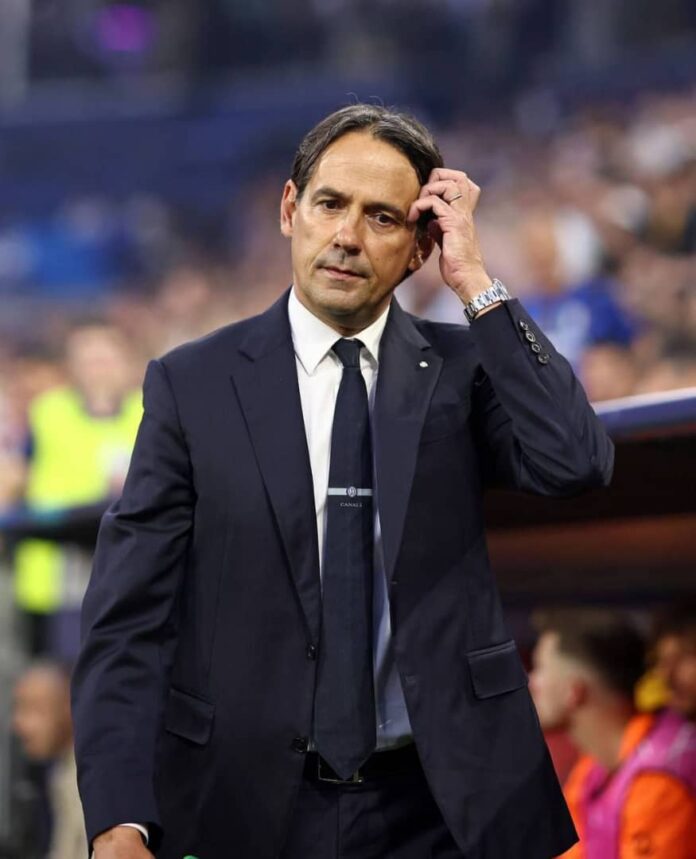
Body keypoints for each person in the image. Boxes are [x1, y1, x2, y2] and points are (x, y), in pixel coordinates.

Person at [72, 104, 614, 859]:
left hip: (443, 805)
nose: (348, 236)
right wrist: (118, 818)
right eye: (330, 204)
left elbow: (576, 460)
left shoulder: (462, 370)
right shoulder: (192, 384)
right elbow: (128, 620)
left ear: (420, 246)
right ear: (289, 210)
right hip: (248, 804)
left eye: (383, 217)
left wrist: (476, 282)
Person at [13, 319, 142, 659]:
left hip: (125, 576)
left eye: (106, 359)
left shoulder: (150, 412)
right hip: (53, 576)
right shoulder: (47, 412)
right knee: (50, 675)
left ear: (128, 362)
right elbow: (17, 473)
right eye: (87, 360)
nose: (97, 371)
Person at [530, 609, 696, 859]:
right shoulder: (593, 770)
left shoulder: (658, 779)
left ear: (574, 691)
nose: (530, 683)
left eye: (540, 669)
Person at [12, 661, 89, 859]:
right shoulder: (62, 773)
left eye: (32, 708)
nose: (18, 724)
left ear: (68, 706)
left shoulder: (90, 780)